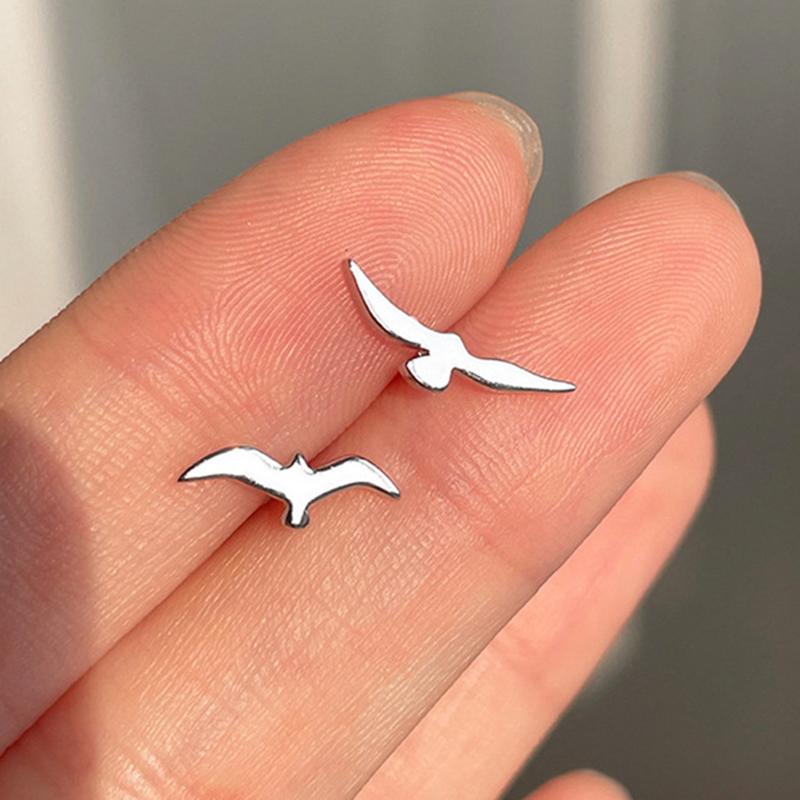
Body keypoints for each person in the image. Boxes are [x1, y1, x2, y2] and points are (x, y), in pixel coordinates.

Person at [0, 93, 760, 798]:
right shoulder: (345, 432)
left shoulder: (421, 377)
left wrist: (509, 382)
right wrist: (370, 295)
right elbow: (381, 322)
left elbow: (407, 364)